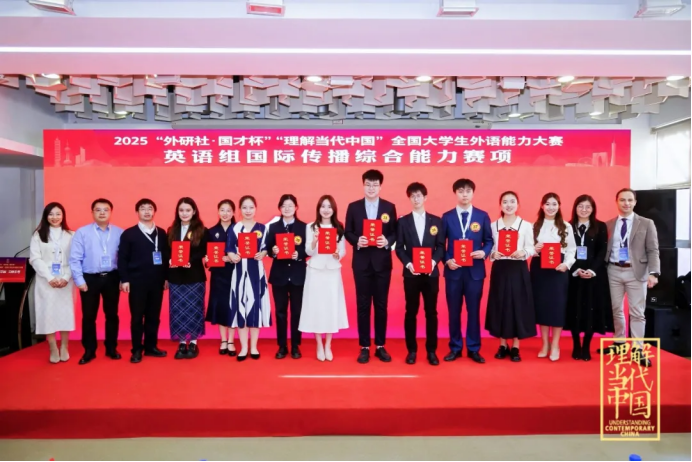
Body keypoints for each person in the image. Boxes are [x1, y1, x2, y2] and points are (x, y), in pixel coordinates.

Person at [600, 188, 660, 368]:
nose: (626, 203)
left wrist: (654, 273)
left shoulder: (646, 223)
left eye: (629, 200)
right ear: (616, 202)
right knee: (616, 309)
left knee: (637, 312)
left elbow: (653, 250)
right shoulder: (608, 224)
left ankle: (637, 349)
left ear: (635, 202)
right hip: (613, 271)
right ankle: (619, 342)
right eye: (622, 200)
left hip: (637, 272)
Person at [345, 169, 398, 364]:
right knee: (363, 305)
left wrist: (387, 241)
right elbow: (348, 231)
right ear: (363, 185)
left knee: (381, 305)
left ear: (380, 187)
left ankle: (381, 345)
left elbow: (395, 232)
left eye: (375, 185)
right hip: (361, 263)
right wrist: (357, 240)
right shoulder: (354, 207)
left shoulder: (389, 207)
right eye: (368, 184)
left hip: (382, 263)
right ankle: (365, 346)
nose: (371, 188)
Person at [441, 179, 494, 364]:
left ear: (473, 193)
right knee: (453, 312)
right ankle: (455, 347)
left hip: (475, 272)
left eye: (468, 191)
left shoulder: (482, 216)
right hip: (454, 272)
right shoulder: (447, 217)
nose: (464, 194)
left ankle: (473, 348)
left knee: (474, 311)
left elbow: (489, 240)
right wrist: (447, 260)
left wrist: (484, 252)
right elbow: (440, 244)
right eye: (461, 191)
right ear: (455, 193)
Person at [69, 198, 124, 365]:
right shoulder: (82, 232)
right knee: (88, 316)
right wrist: (79, 280)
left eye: (105, 210)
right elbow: (75, 258)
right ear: (92, 212)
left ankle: (111, 348)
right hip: (90, 278)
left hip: (112, 277)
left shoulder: (119, 233)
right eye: (98, 210)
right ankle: (89, 350)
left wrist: (123, 279)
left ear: (111, 212)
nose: (102, 213)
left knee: (112, 315)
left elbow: (124, 259)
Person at [395, 183, 444, 366]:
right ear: (409, 198)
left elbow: (441, 246)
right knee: (411, 312)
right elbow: (399, 248)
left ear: (425, 197)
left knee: (431, 312)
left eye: (419, 195)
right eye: (413, 196)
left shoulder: (436, 221)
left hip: (431, 274)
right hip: (411, 275)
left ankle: (431, 351)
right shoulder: (403, 222)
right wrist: (409, 264)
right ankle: (412, 350)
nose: (416, 199)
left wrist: (433, 262)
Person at [485, 191, 536, 363]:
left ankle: (515, 346)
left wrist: (524, 252)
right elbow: (489, 247)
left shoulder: (526, 225)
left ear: (518, 204)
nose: (509, 205)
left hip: (518, 268)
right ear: (500, 205)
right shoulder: (493, 226)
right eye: (505, 202)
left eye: (512, 201)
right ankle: (502, 344)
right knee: (500, 304)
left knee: (517, 305)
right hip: (500, 268)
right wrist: (493, 254)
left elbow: (531, 248)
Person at [118, 199, 170, 364]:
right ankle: (136, 350)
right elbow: (122, 258)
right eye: (143, 209)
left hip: (157, 281)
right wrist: (124, 279)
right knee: (137, 317)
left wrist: (166, 277)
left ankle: (151, 346)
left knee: (153, 316)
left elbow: (166, 257)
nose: (147, 212)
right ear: (137, 212)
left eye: (150, 209)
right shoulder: (129, 234)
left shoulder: (162, 233)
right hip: (136, 282)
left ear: (154, 211)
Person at [299, 195, 349, 361]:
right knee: (317, 307)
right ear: (318, 209)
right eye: (323, 206)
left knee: (330, 307)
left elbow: (343, 250)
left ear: (333, 209)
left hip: (332, 272)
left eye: (329, 206)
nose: (326, 210)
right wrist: (314, 242)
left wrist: (337, 254)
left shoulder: (339, 227)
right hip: (315, 271)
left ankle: (328, 344)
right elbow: (308, 251)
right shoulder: (311, 227)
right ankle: (319, 344)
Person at [565, 195, 613, 362]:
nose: (584, 210)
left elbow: (602, 251)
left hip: (594, 276)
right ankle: (576, 345)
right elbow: (565, 251)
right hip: (574, 274)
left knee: (591, 310)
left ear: (593, 209)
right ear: (575, 208)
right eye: (580, 206)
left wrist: (592, 270)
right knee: (574, 309)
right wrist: (576, 269)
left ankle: (586, 346)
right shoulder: (567, 226)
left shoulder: (600, 226)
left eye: (588, 207)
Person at [532, 193, 577, 362]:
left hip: (559, 269)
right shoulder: (534, 226)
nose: (551, 207)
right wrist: (534, 249)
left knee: (557, 307)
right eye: (547, 204)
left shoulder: (566, 226)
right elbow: (526, 249)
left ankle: (556, 344)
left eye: (554, 204)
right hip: (539, 270)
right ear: (542, 206)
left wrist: (566, 264)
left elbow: (572, 249)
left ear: (559, 206)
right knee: (542, 306)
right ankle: (545, 343)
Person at [29, 203, 75, 364]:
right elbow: (35, 258)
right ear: (45, 216)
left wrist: (66, 277)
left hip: (65, 280)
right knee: (47, 313)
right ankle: (53, 347)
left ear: (63, 215)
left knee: (65, 314)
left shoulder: (71, 235)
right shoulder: (38, 235)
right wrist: (49, 277)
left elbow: (75, 258)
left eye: (58, 214)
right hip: (45, 281)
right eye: (51, 214)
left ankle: (64, 346)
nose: (54, 217)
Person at [227, 196, 271, 361]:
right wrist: (233, 256)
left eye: (251, 207)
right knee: (240, 308)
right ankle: (244, 347)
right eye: (244, 207)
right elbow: (229, 248)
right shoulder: (235, 228)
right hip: (239, 273)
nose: (248, 210)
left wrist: (263, 253)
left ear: (255, 209)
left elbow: (266, 247)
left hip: (256, 272)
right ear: (240, 210)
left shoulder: (262, 228)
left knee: (255, 308)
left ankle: (254, 347)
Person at [266, 194, 308, 360]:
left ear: (296, 207)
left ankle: (296, 345)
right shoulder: (273, 227)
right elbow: (268, 248)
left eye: (290, 205)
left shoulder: (304, 227)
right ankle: (282, 345)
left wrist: (300, 254)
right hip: (279, 276)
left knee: (297, 312)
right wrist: (274, 251)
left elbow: (308, 249)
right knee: (280, 312)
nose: (287, 208)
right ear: (280, 208)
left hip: (298, 276)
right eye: (284, 206)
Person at [167, 197, 209, 360]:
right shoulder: (172, 230)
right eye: (181, 210)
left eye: (188, 210)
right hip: (176, 277)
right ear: (177, 212)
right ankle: (181, 342)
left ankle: (193, 342)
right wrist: (170, 260)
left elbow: (203, 251)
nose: (184, 213)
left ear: (194, 211)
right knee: (178, 311)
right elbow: (167, 251)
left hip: (194, 277)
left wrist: (189, 260)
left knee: (194, 310)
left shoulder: (202, 230)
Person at [206, 199, 237, 357]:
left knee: (232, 306)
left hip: (235, 273)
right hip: (218, 275)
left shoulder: (239, 230)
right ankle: (223, 340)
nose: (225, 213)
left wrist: (233, 258)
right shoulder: (211, 232)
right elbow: (207, 254)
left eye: (228, 210)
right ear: (218, 212)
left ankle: (231, 340)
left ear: (233, 212)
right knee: (220, 306)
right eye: (222, 210)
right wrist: (207, 260)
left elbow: (246, 252)